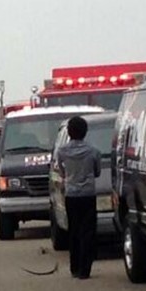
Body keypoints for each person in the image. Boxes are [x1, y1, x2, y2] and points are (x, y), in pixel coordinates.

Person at [55, 116, 102, 280]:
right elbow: (97, 172)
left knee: (73, 230)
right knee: (87, 231)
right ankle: (85, 269)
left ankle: (74, 267)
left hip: (71, 194)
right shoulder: (93, 151)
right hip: (88, 194)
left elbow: (61, 172)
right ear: (85, 132)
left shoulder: (62, 151)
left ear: (68, 132)